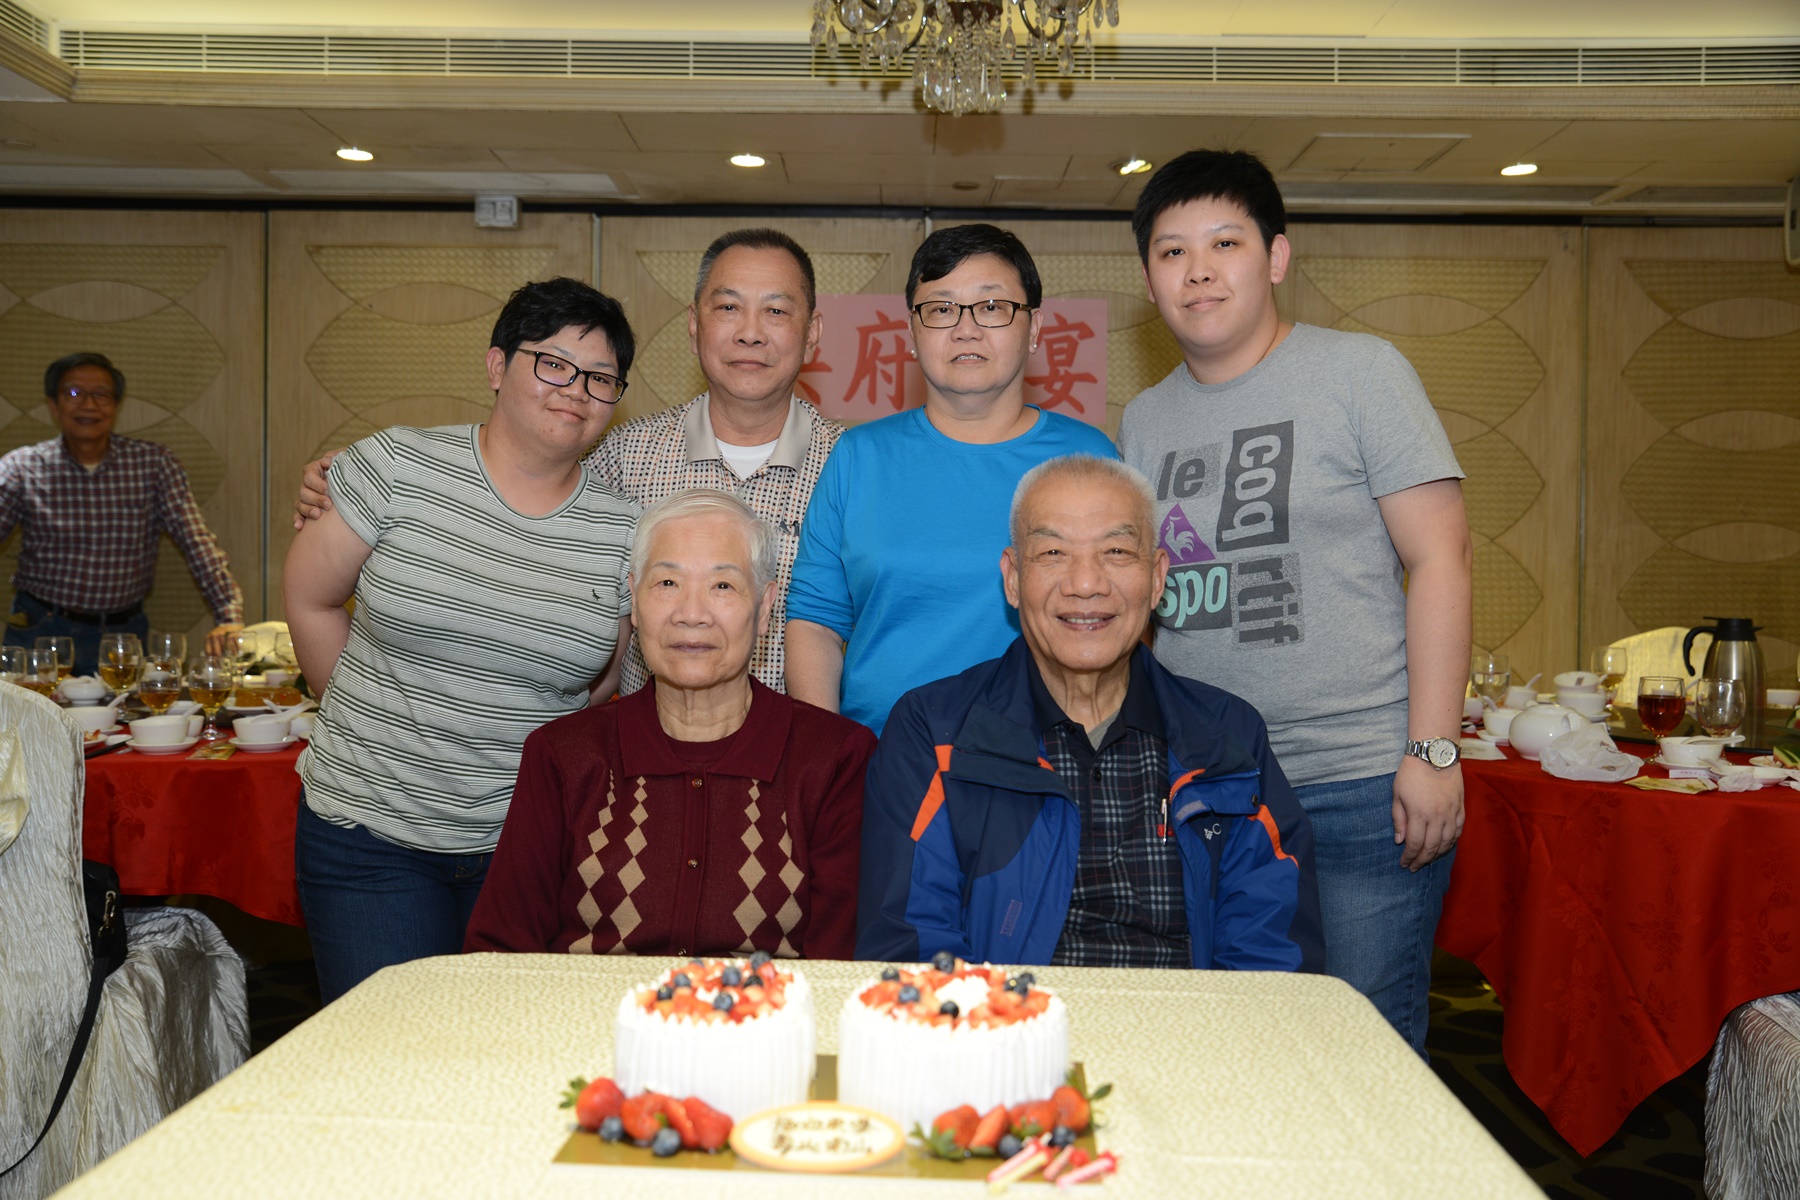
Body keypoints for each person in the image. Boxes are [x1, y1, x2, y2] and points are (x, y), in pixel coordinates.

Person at [1118, 149, 1473, 1053]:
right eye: (1171, 252)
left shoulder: (1361, 372)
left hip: (1357, 783)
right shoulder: (1145, 420)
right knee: (1230, 1043)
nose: (1197, 271)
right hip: (1210, 785)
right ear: (1149, 280)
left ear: (1275, 256)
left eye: (1224, 243)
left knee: (1363, 1048)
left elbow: (1442, 557)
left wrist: (1433, 750)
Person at [283, 277, 639, 1003]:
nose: (576, 391)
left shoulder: (624, 530)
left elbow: (599, 686)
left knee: (503, 1049)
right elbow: (311, 598)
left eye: (600, 378)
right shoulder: (397, 467)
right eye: (553, 364)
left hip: (527, 846)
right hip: (368, 836)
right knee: (390, 1051)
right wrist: (370, 724)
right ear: (497, 365)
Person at [296, 228, 837, 695]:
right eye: (728, 307)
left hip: (801, 763)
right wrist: (347, 481)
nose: (749, 331)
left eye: (776, 310)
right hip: (645, 766)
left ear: (811, 333)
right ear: (694, 327)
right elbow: (522, 487)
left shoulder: (854, 467)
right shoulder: (621, 456)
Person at [856, 454, 1323, 972]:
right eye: (1053, 552)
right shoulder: (935, 731)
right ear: (1013, 578)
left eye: (1116, 551)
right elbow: (912, 948)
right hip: (1003, 1016)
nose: (1085, 583)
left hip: (1189, 1019)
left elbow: (1272, 953)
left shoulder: (1226, 738)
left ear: (1157, 578)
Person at [464, 490, 875, 959]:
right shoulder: (564, 756)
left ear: (764, 608)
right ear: (635, 604)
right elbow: (499, 951)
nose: (691, 614)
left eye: (723, 586)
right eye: (667, 583)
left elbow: (842, 967)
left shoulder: (834, 759)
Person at [785, 224, 1118, 734]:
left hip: (1048, 759)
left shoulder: (1089, 457)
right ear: (911, 333)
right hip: (880, 757)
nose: (966, 329)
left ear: (1034, 328)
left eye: (992, 307)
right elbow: (816, 621)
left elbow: (1124, 614)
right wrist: (827, 758)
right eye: (941, 309)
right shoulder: (858, 457)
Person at [1, 352, 244, 675]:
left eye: (101, 394)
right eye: (74, 393)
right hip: (41, 632)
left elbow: (195, 541)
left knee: (124, 711)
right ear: (54, 405)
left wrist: (228, 614)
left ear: (115, 404)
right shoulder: (21, 467)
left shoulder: (153, 465)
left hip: (122, 637)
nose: (89, 405)